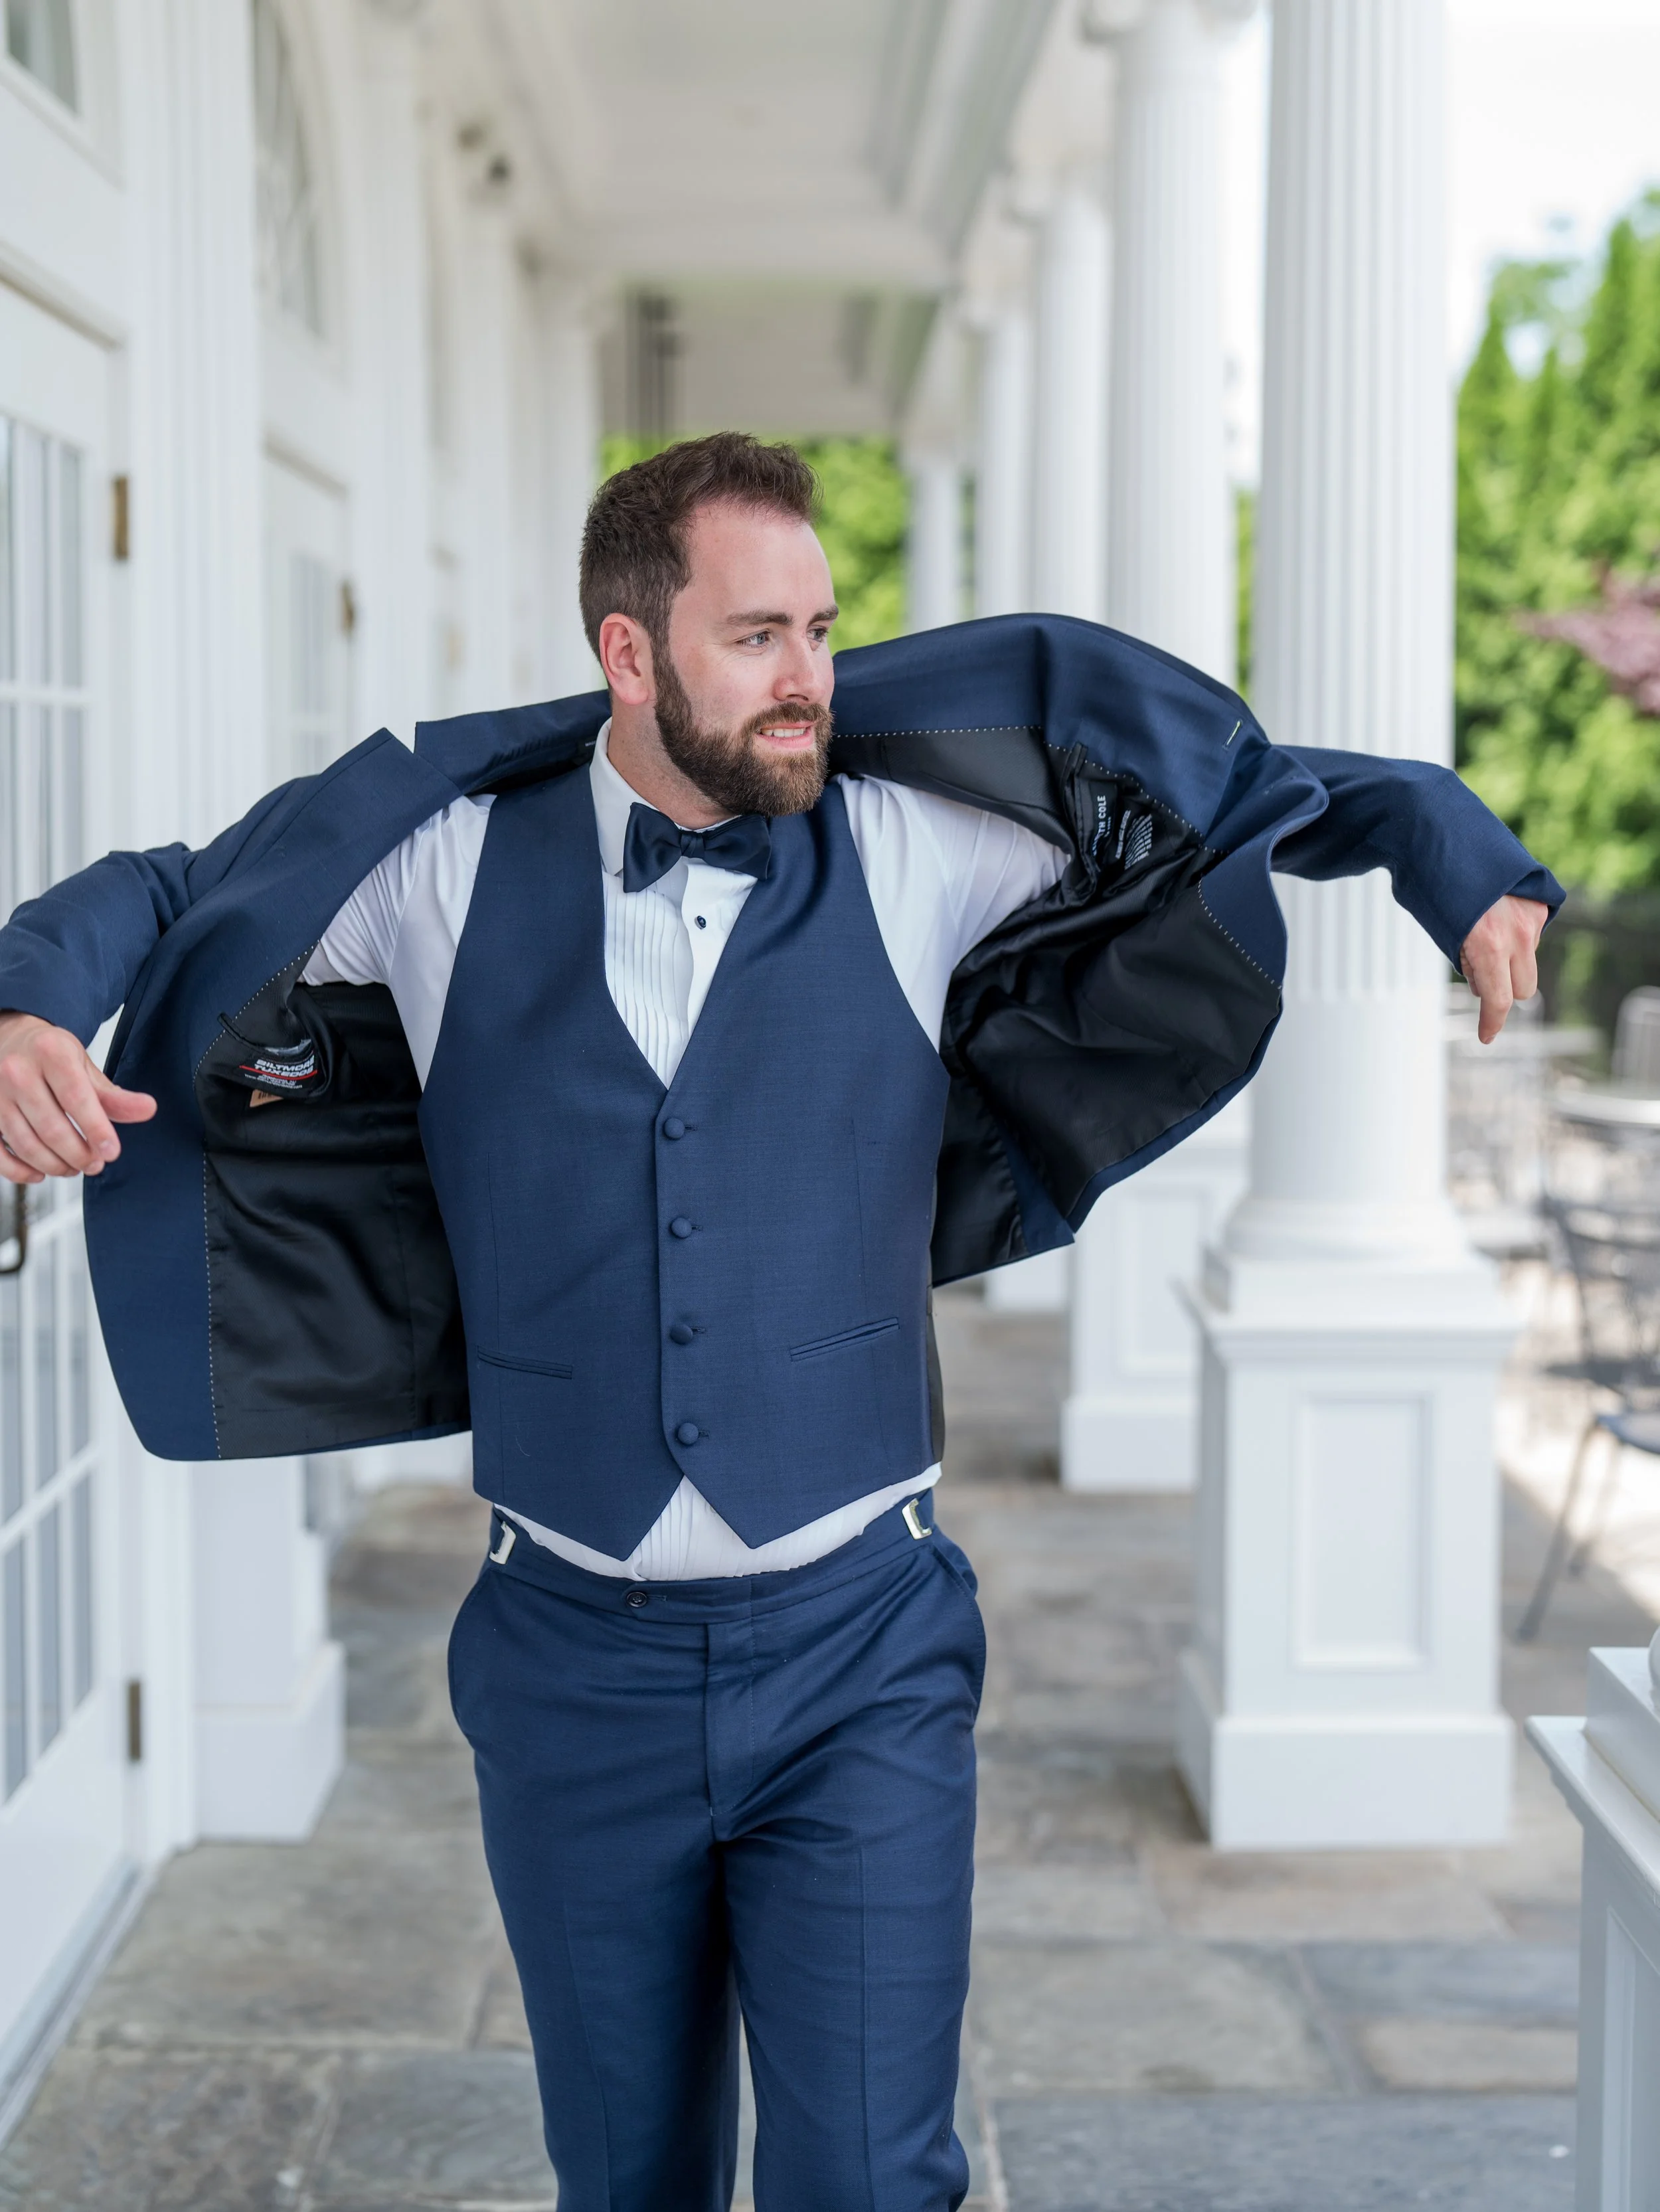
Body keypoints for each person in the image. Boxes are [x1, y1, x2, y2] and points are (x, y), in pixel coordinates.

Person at [0, 434, 1556, 2211]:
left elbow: (1237, 790)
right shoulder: (435, 873)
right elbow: (175, 889)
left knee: (868, 2176)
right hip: (563, 1655)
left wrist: (1447, 847)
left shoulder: (914, 844)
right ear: (627, 653)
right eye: (754, 635)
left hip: (860, 1653)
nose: (809, 675)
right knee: (624, 2180)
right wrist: (27, 1002)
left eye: (819, 626)